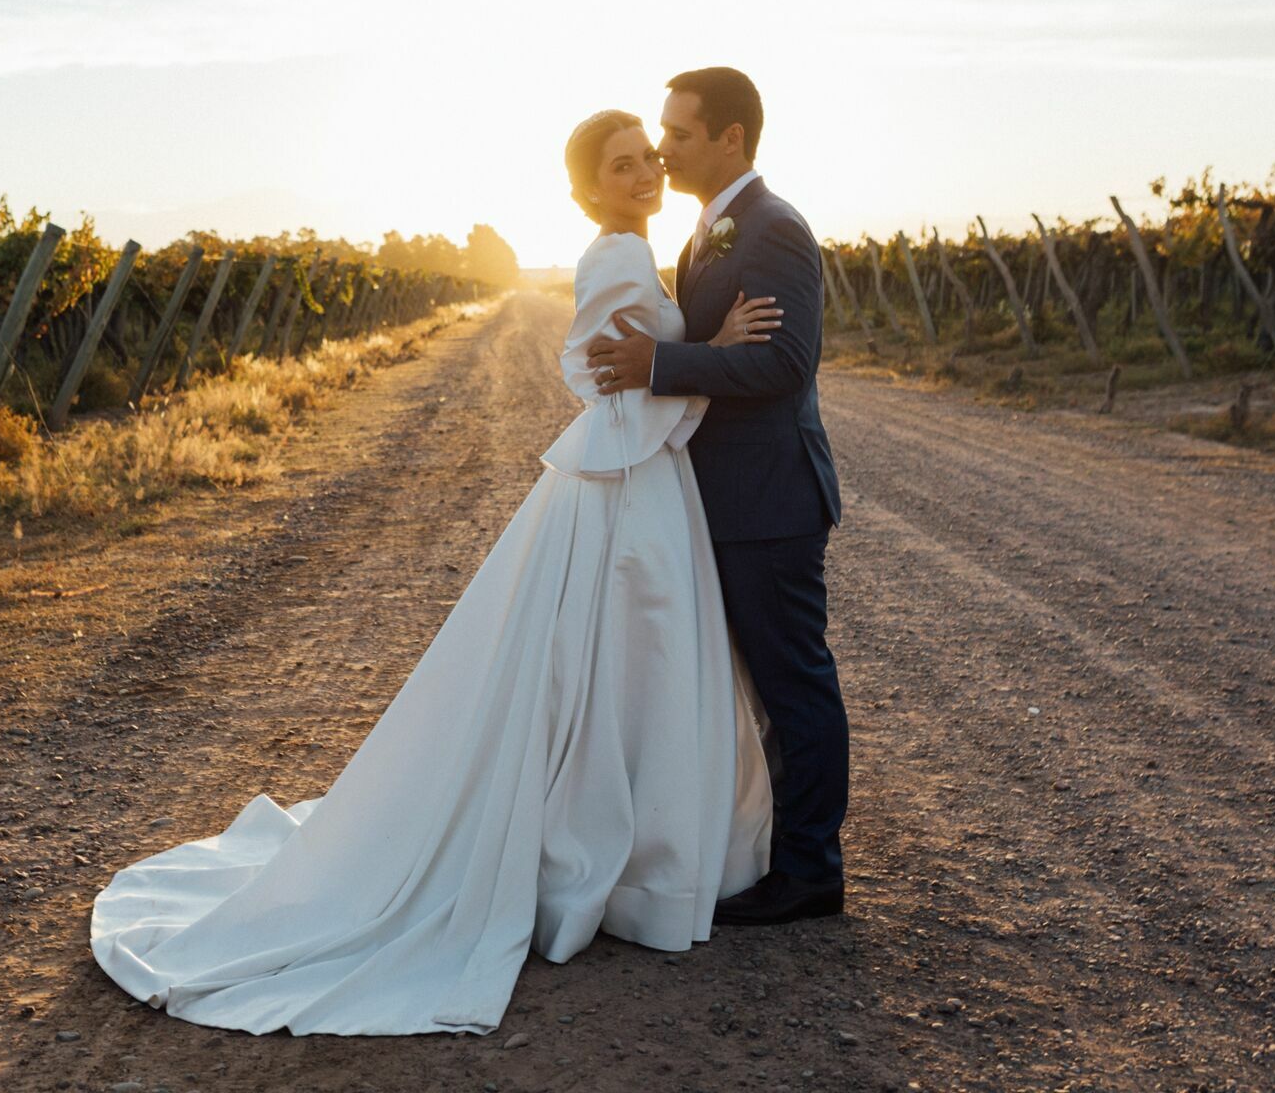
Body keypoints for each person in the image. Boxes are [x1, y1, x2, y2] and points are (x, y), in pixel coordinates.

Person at [88, 108, 783, 1036]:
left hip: (642, 489)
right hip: (626, 493)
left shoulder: (633, 249)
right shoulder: (614, 257)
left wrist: (687, 354)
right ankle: (628, 869)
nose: (646, 173)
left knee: (617, 670)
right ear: (588, 187)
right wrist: (717, 355)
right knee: (628, 661)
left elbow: (634, 373)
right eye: (623, 166)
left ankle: (632, 859)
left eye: (650, 159)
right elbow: (619, 390)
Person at [587, 67, 849, 925]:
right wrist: (695, 349)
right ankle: (776, 850)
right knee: (761, 686)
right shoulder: (710, 229)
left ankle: (811, 871)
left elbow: (783, 366)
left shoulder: (771, 229)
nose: (664, 149)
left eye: (679, 134)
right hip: (726, 496)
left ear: (730, 138)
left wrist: (662, 364)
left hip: (768, 498)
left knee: (793, 684)